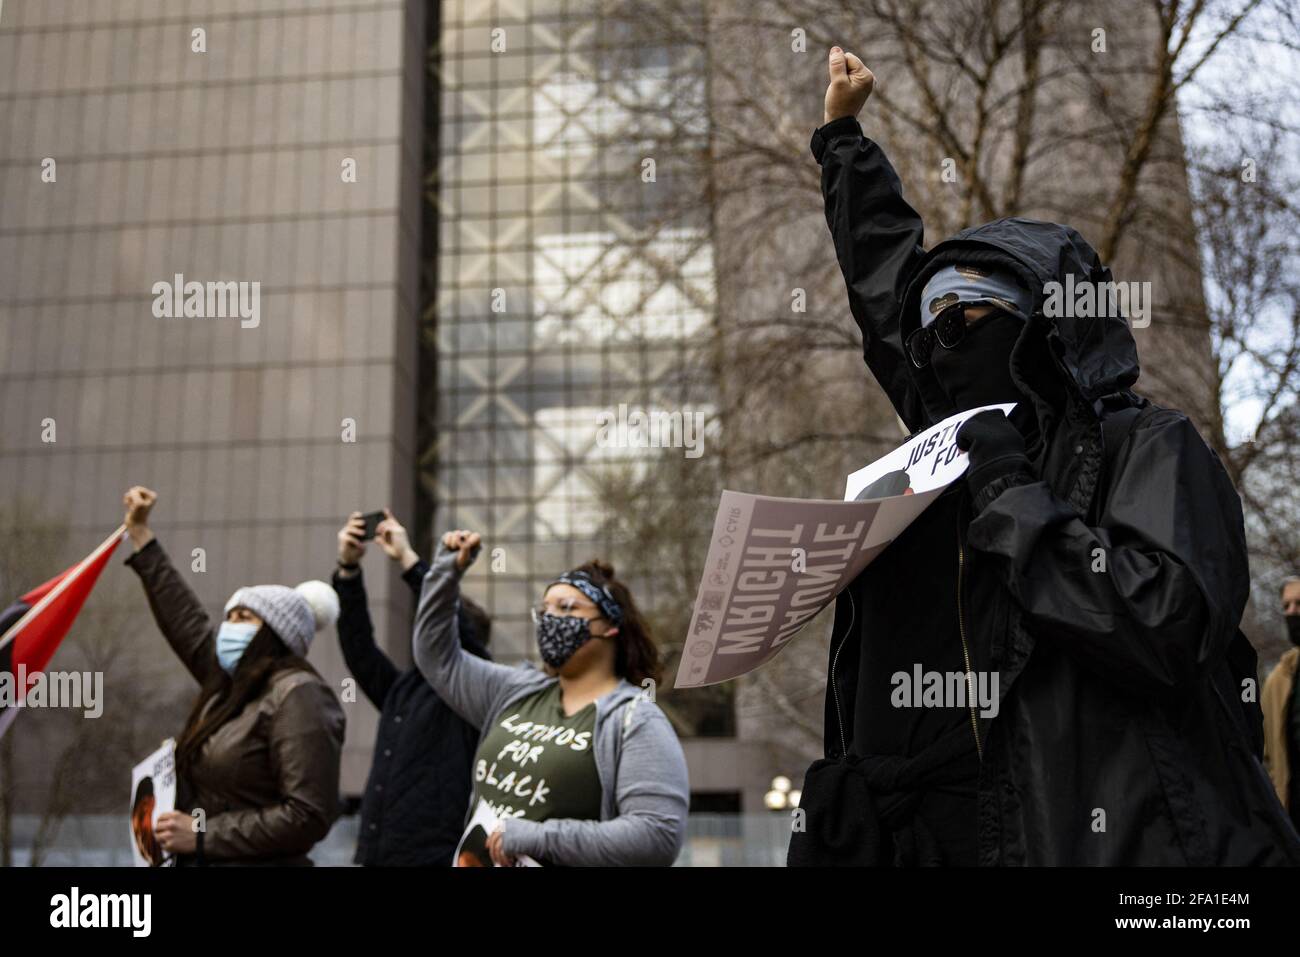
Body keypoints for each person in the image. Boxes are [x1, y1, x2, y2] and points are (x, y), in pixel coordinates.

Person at [787, 47, 1300, 865]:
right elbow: (887, 291)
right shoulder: (938, 460)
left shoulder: (1147, 445)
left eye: (963, 319)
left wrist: (1011, 493)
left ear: (1042, 331)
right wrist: (841, 138)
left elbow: (1163, 628)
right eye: (929, 332)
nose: (936, 342)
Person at [413, 529, 689, 866]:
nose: (549, 619)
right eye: (544, 609)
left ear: (610, 626)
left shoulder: (635, 719)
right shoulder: (514, 691)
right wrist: (446, 571)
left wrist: (538, 837)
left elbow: (657, 835)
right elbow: (436, 656)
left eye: (566, 607)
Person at [122, 486, 345, 866]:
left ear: (274, 635)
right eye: (229, 617)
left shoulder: (300, 696)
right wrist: (141, 536)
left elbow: (308, 814)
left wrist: (203, 836)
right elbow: (185, 619)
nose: (229, 627)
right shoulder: (228, 686)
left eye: (244, 618)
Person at [333, 509, 493, 866]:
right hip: (376, 856)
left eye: (433, 628)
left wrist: (407, 559)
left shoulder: (474, 694)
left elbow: (450, 622)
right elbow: (359, 648)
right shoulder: (406, 690)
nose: (424, 636)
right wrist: (348, 572)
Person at [1262, 577, 1300, 829]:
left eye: (1299, 603)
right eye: (1286, 606)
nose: (1291, 612)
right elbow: (1267, 758)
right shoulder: (1279, 680)